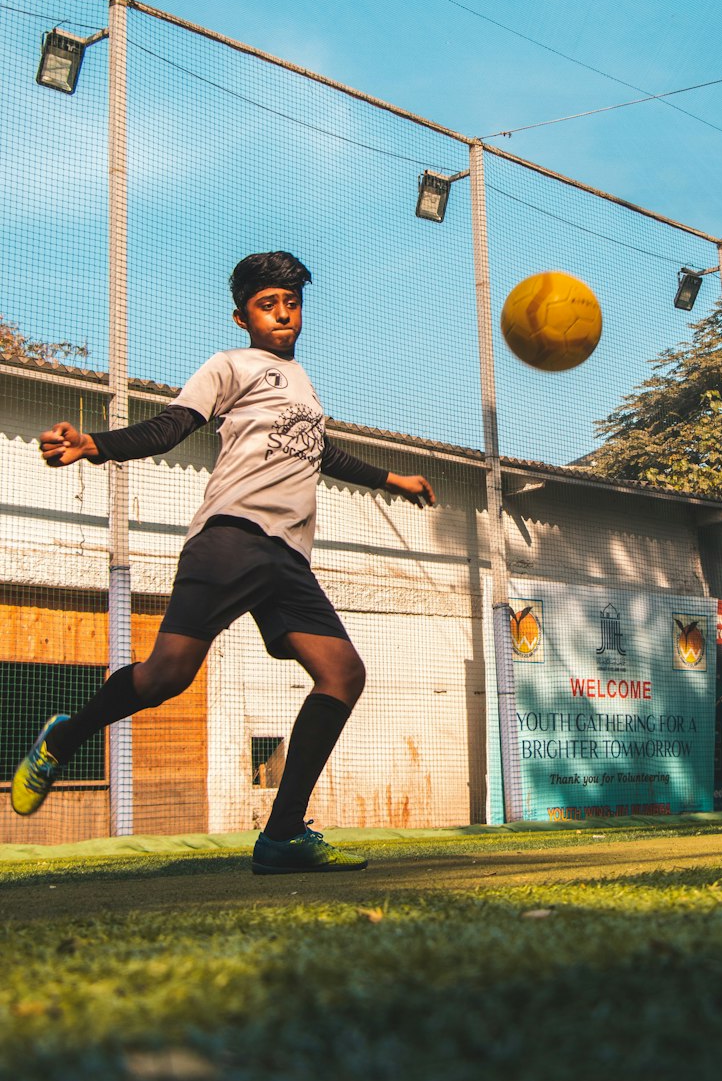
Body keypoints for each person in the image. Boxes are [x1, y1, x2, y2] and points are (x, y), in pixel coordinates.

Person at [10, 251, 436, 874]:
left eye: (291, 304)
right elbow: (170, 427)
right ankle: (64, 738)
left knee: (342, 673)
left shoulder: (304, 385)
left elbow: (317, 452)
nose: (283, 315)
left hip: (288, 558)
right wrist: (95, 445)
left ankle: (283, 835)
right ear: (242, 317)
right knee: (166, 678)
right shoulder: (229, 366)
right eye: (269, 305)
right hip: (231, 539)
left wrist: (393, 477)